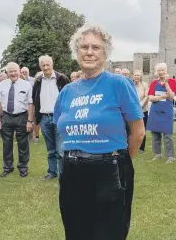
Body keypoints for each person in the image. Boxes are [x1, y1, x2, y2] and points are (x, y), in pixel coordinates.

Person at [54, 24, 145, 240]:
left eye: (96, 47)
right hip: (72, 170)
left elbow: (138, 131)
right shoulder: (67, 92)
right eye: (84, 47)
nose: (89, 52)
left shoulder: (119, 84)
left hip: (109, 169)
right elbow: (60, 128)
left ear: (105, 53)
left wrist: (119, 159)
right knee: (76, 231)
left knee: (108, 233)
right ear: (76, 52)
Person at [32, 55, 70, 179]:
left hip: (59, 117)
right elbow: (35, 100)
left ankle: (62, 174)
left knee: (60, 149)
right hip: (44, 118)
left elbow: (69, 97)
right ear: (40, 66)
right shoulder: (38, 81)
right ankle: (52, 172)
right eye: (43, 65)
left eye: (48, 64)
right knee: (50, 149)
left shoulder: (62, 78)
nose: (46, 67)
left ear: (52, 64)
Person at [0, 62, 34, 178]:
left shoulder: (26, 85)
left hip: (22, 117)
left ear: (19, 71)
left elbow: (31, 104)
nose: (13, 73)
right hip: (6, 117)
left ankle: (23, 168)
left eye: (15, 71)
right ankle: (7, 168)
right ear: (7, 73)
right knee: (7, 144)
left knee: (23, 144)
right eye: (10, 71)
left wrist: (29, 121)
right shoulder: (2, 84)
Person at [146, 63, 176, 164]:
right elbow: (151, 98)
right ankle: (157, 154)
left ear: (166, 71)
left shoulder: (172, 81)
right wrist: (163, 97)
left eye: (163, 70)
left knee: (168, 134)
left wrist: (167, 84)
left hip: (166, 111)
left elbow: (171, 97)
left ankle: (171, 156)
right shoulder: (154, 83)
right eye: (159, 70)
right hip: (155, 111)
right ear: (157, 72)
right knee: (155, 134)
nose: (161, 72)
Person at [133, 69, 149, 153]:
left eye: (138, 75)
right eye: (135, 75)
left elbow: (147, 96)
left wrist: (141, 104)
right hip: (133, 110)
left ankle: (142, 148)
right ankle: (133, 146)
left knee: (142, 129)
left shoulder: (144, 85)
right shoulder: (130, 85)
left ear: (141, 77)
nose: (136, 77)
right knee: (133, 129)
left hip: (143, 110)